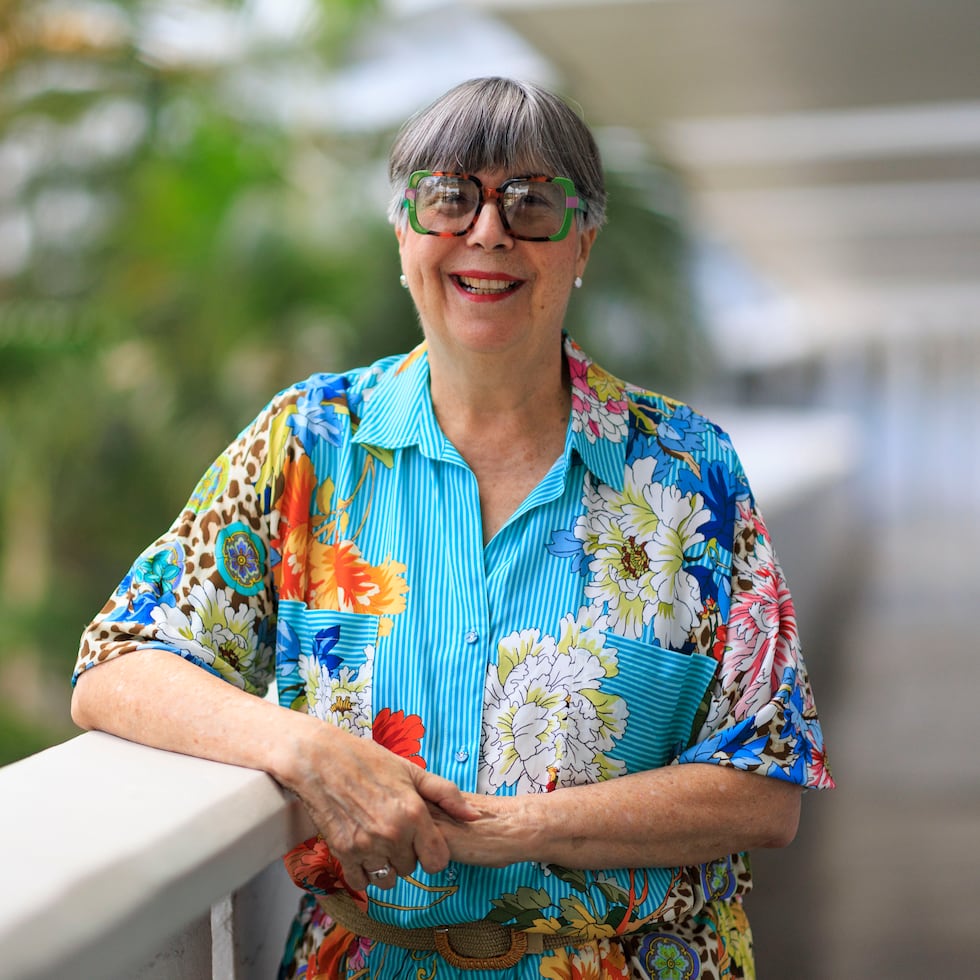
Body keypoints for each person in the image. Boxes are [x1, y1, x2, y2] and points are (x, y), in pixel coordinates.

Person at [72, 76, 834, 980]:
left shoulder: (689, 474)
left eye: (531, 202)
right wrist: (310, 749)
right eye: (449, 198)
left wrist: (510, 831)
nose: (487, 232)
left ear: (583, 238)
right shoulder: (309, 446)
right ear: (403, 233)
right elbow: (119, 664)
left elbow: (764, 786)